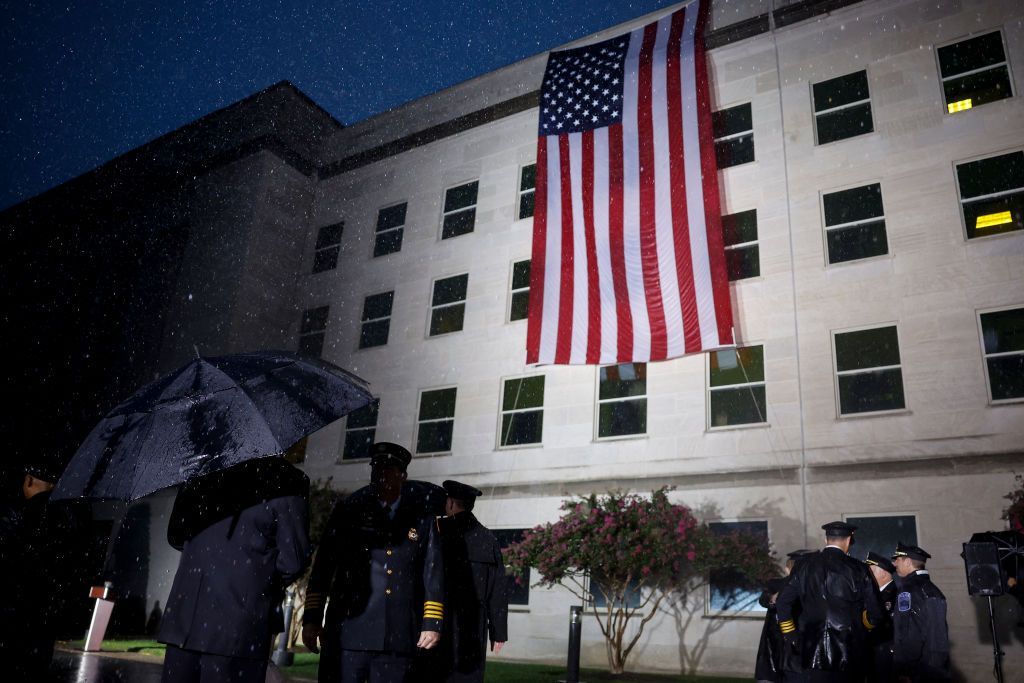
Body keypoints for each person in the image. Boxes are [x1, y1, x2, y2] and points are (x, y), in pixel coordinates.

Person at [302, 442, 446, 683]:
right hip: (349, 631)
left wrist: (432, 622)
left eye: (389, 470)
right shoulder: (349, 510)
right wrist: (312, 618)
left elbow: (432, 572)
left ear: (403, 476)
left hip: (398, 635)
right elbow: (323, 568)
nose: (382, 476)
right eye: (377, 469)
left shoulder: (421, 517)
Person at [158, 458, 311, 683]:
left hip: (185, 622)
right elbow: (294, 560)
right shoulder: (284, 480)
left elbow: (176, 537)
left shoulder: (202, 473)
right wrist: (256, 585)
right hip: (238, 628)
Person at [0, 459, 89, 683]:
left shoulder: (19, 516)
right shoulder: (70, 519)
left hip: (15, 616)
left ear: (29, 481)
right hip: (47, 616)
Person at [775, 521, 884, 682]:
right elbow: (876, 613)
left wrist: (791, 635)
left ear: (826, 540)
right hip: (849, 651)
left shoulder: (803, 566)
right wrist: (861, 626)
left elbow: (782, 602)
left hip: (811, 650)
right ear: (848, 541)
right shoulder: (859, 569)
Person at [432, 480, 508, 683]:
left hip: (438, 620)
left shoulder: (437, 532)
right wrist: (498, 631)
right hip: (474, 624)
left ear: (449, 503)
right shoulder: (488, 538)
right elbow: (498, 588)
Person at [890, 542, 950, 682]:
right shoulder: (933, 589)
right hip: (937, 667)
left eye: (898, 560)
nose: (894, 564)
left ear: (908, 562)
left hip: (918, 669)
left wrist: (904, 669)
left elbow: (909, 632)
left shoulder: (908, 590)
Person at [755, 549, 814, 683]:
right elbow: (764, 599)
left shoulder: (811, 587)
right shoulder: (776, 584)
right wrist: (772, 598)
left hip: (794, 644)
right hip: (778, 644)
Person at [865, 551, 898, 682]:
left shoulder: (893, 594)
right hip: (874, 651)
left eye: (870, 570)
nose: (867, 574)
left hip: (886, 653)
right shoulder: (875, 594)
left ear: (883, 573)